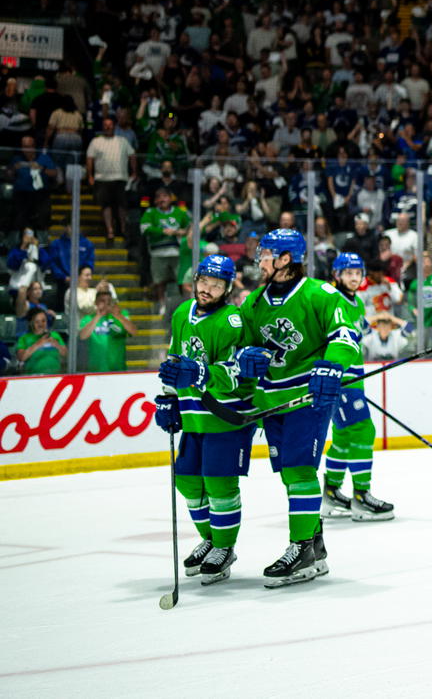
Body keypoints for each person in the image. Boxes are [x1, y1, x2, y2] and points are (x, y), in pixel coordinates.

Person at [234, 229, 363, 587]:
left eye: (265, 255)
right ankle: (315, 546)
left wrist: (332, 364)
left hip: (309, 396)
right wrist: (246, 357)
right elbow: (240, 346)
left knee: (301, 470)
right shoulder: (254, 303)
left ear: (285, 259)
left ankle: (302, 547)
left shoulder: (319, 294)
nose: (259, 260)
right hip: (271, 400)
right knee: (290, 475)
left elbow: (346, 337)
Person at [153, 255, 251, 585]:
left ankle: (224, 547)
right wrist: (168, 398)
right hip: (194, 416)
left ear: (226, 289)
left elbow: (237, 373)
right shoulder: (182, 312)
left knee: (219, 481)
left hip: (224, 415)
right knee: (187, 479)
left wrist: (200, 372)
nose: (207, 289)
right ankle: (211, 538)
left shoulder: (233, 321)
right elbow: (173, 359)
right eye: (204, 282)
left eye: (216, 284)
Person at [321, 252, 395, 523]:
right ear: (337, 275)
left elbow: (361, 330)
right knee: (364, 431)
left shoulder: (356, 304)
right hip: (341, 380)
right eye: (348, 272)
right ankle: (362, 497)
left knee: (343, 437)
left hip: (353, 378)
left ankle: (330, 492)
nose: (353, 277)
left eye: (357, 273)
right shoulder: (332, 300)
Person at [140, 189, 190, 317]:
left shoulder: (180, 212)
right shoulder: (150, 213)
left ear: (171, 198)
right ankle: (162, 305)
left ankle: (186, 305)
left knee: (182, 280)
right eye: (159, 197)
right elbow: (144, 228)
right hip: (158, 253)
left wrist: (181, 232)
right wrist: (162, 231)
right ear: (156, 200)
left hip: (177, 253)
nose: (162, 199)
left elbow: (190, 227)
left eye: (165, 196)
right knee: (159, 281)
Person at [86, 116, 135, 241]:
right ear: (102, 127)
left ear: (114, 126)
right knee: (105, 205)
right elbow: (90, 159)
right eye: (105, 125)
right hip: (102, 179)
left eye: (110, 124)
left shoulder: (122, 141)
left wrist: (134, 172)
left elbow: (132, 155)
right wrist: (90, 175)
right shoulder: (96, 141)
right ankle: (110, 230)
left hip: (120, 177)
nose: (107, 127)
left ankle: (123, 229)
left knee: (122, 205)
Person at [78, 284, 135, 371]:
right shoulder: (88, 319)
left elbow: (133, 331)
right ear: (95, 302)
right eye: (102, 301)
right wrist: (98, 316)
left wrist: (118, 316)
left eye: (109, 301)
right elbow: (82, 336)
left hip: (118, 369)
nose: (106, 304)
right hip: (96, 370)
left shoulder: (122, 315)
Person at [15, 308, 67, 374]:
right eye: (37, 322)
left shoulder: (55, 335)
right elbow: (21, 357)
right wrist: (38, 343)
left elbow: (66, 355)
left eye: (43, 321)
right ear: (31, 323)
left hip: (55, 377)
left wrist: (56, 344)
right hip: (33, 377)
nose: (41, 324)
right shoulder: (24, 338)